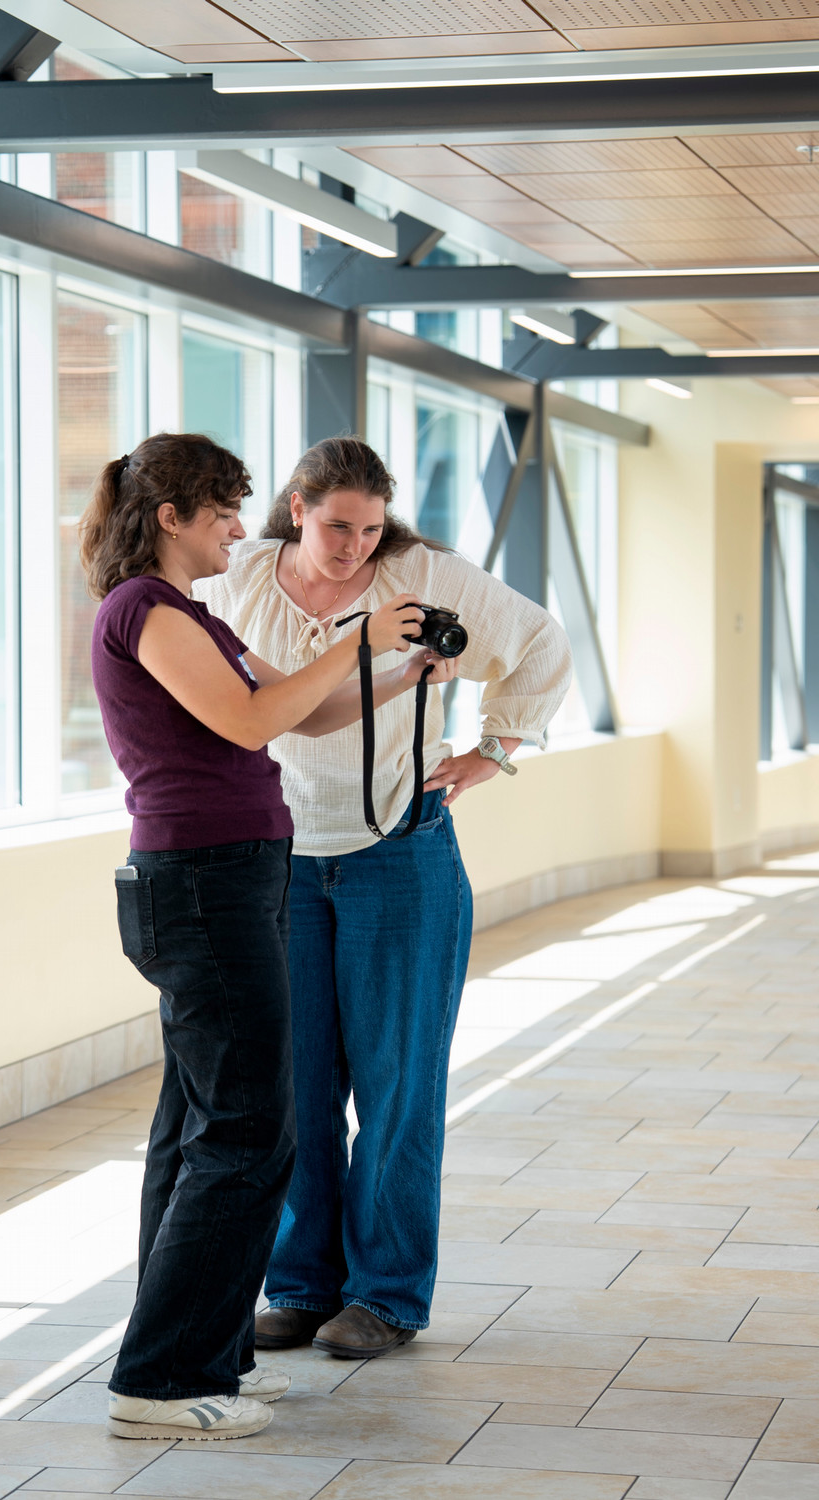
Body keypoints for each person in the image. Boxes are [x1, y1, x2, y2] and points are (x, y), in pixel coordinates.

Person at [81, 432, 451, 1442]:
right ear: (171, 516)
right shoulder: (143, 613)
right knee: (249, 1130)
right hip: (202, 890)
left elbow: (296, 714)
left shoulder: (190, 616)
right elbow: (246, 727)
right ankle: (160, 1379)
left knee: (200, 1128)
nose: (241, 532)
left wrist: (399, 667)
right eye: (225, 513)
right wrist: (355, 637)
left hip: (231, 883)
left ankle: (204, 1351)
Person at [200, 435, 572, 1359]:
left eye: (368, 529)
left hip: (399, 859)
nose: (353, 548)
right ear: (297, 510)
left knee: (398, 1086)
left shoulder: (421, 573)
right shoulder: (238, 576)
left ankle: (388, 1297)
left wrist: (492, 750)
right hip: (281, 858)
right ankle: (299, 1283)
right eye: (335, 527)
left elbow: (540, 644)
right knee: (298, 1086)